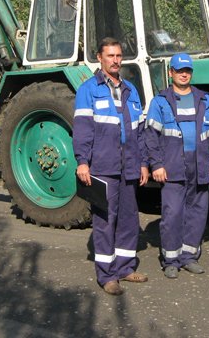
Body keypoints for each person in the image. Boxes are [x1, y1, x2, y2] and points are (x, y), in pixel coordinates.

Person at [73, 37, 150, 296]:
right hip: (103, 167)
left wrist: (142, 163)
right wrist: (82, 161)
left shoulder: (130, 89)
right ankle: (107, 275)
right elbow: (82, 130)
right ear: (100, 58)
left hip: (129, 166)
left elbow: (139, 131)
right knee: (105, 221)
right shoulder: (88, 90)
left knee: (129, 220)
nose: (116, 60)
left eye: (119, 56)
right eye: (111, 56)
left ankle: (125, 268)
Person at [143, 53, 209, 279]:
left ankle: (189, 257)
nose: (184, 74)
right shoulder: (160, 102)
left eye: (187, 70)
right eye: (179, 71)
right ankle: (170, 260)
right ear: (171, 73)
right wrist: (156, 164)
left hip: (199, 165)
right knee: (172, 214)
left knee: (197, 214)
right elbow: (151, 136)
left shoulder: (206, 100)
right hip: (172, 165)